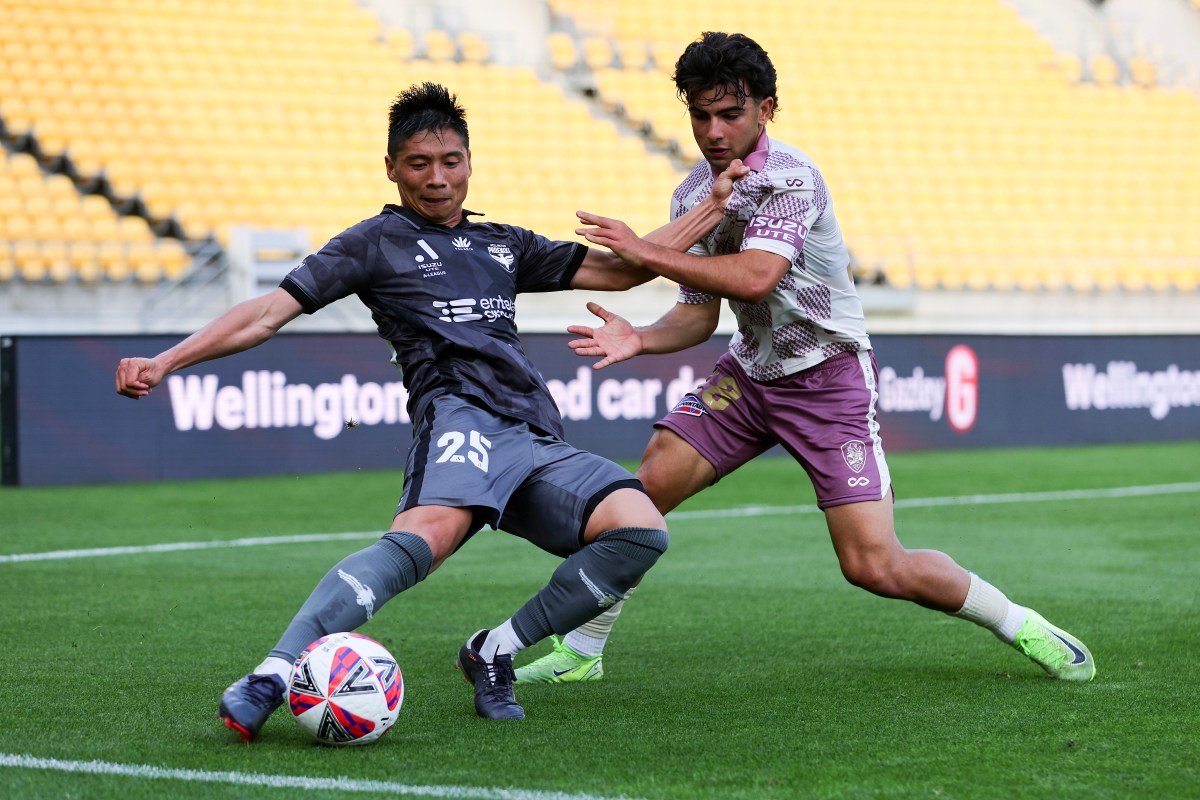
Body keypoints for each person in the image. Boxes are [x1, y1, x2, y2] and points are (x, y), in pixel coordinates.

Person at [115, 82, 744, 733]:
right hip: (459, 418)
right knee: (424, 542)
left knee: (640, 530)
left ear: (470, 162)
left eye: (451, 162)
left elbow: (624, 271)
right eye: (419, 164)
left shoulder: (502, 242)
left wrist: (713, 205)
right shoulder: (373, 242)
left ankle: (494, 651)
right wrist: (167, 361)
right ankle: (270, 676)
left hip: (534, 431)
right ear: (392, 168)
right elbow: (267, 313)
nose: (438, 179)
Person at [515, 32, 1095, 686]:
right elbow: (699, 314)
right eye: (700, 115)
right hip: (749, 376)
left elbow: (756, 276)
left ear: (766, 109)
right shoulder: (692, 197)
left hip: (828, 380)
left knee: (874, 565)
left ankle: (1019, 622)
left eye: (729, 114)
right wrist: (643, 338)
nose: (713, 131)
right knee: (637, 499)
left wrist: (644, 251)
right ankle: (583, 651)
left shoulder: (792, 178)